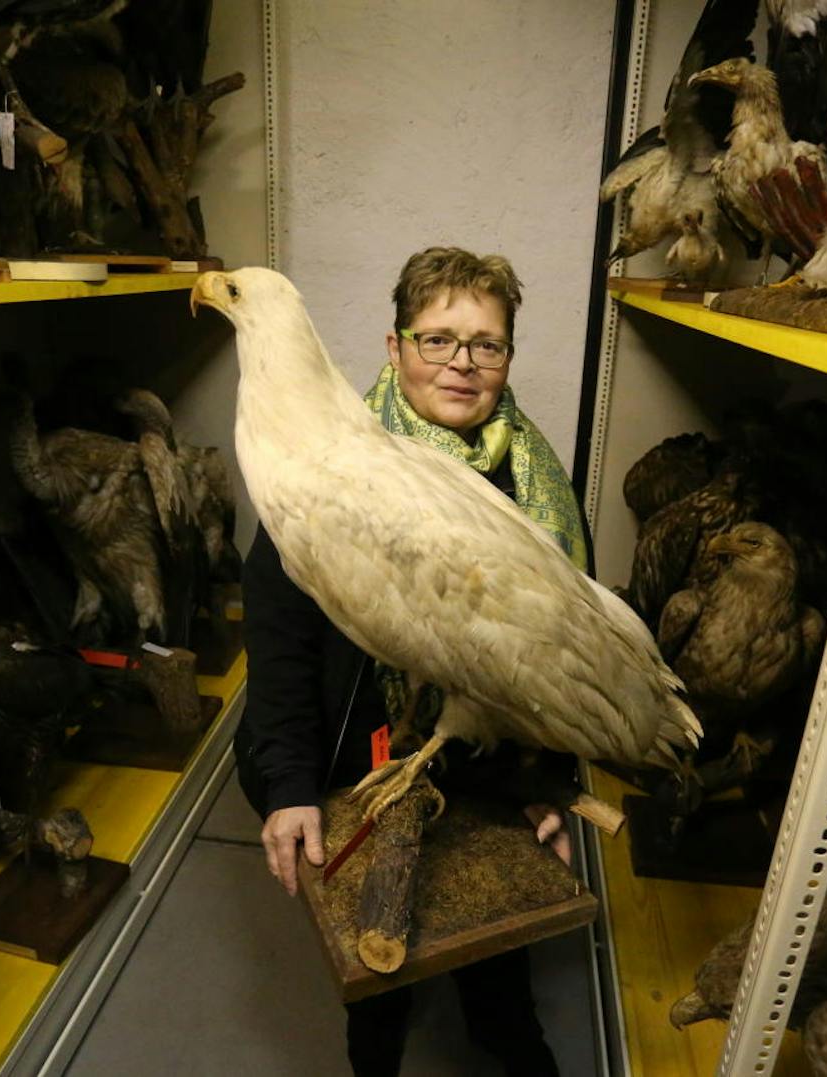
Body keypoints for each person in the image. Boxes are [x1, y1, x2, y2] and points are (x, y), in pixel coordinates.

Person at [236, 246, 592, 1076]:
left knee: (499, 975)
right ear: (395, 350)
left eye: (486, 343)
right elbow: (280, 646)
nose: (461, 363)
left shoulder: (533, 486)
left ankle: (508, 1040)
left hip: (482, 771)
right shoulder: (320, 472)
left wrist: (549, 783)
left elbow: (563, 659)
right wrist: (289, 787)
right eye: (437, 339)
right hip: (353, 765)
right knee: (376, 979)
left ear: (507, 357)